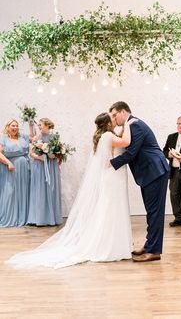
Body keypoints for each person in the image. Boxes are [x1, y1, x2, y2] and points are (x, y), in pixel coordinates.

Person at [6, 112, 135, 268]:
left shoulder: (104, 136)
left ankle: (113, 241)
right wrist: (128, 123)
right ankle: (109, 244)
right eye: (112, 118)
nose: (114, 119)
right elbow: (126, 141)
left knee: (108, 209)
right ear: (108, 123)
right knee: (109, 209)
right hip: (111, 177)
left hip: (112, 176)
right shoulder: (108, 136)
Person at [109, 101, 169, 263]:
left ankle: (154, 251)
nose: (114, 119)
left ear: (123, 112)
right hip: (150, 172)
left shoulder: (135, 125)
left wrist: (110, 164)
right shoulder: (130, 125)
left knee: (155, 212)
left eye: (115, 115)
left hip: (155, 171)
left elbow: (131, 153)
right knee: (151, 211)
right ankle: (150, 245)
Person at [27, 118, 62, 226]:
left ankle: (52, 218)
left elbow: (59, 153)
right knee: (40, 189)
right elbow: (31, 153)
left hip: (51, 166)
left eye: (41, 124)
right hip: (40, 165)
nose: (39, 126)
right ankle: (40, 218)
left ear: (47, 125)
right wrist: (40, 157)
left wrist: (53, 155)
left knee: (51, 189)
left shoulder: (54, 138)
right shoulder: (36, 137)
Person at [0, 119, 30, 227]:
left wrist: (30, 121)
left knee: (23, 192)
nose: (15, 127)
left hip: (24, 170)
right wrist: (8, 163)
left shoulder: (23, 137)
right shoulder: (4, 139)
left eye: (17, 126)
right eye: (13, 125)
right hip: (10, 170)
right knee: (10, 193)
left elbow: (35, 137)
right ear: (8, 127)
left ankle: (23, 217)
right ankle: (10, 218)